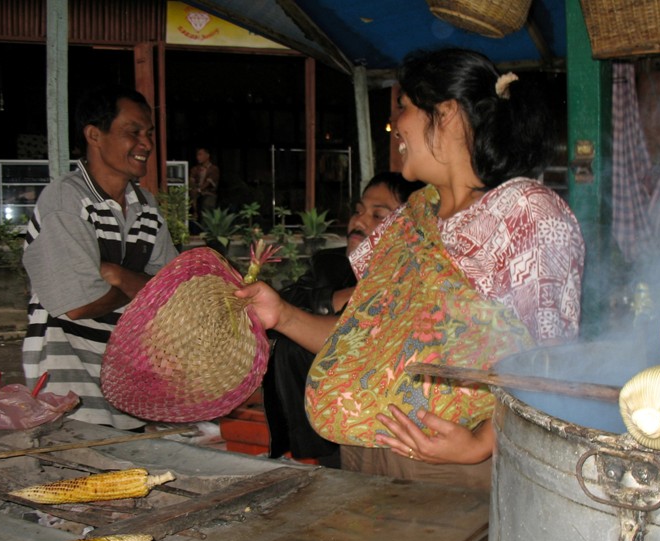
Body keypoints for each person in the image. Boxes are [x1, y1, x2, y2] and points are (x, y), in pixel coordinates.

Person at [236, 48, 585, 489]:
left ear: (448, 113)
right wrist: (282, 315)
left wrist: (480, 443)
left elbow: (554, 356)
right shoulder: (414, 214)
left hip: (449, 469)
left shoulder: (523, 212)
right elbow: (366, 339)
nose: (395, 125)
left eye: (403, 107)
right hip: (364, 459)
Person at [21, 84, 178, 430]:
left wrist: (117, 275)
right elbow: (78, 304)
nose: (147, 144)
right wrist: (142, 290)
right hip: (69, 396)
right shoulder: (66, 202)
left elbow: (174, 295)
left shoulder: (146, 207)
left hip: (127, 390)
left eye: (148, 133)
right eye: (132, 132)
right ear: (94, 135)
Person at [264, 172, 423, 467]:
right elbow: (284, 303)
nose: (359, 221)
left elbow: (359, 339)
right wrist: (338, 297)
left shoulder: (416, 280)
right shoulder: (331, 263)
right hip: (319, 437)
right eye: (359, 210)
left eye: (378, 215)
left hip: (379, 433)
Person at [190, 146, 219, 220]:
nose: (198, 157)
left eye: (200, 155)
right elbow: (191, 179)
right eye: (197, 155)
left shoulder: (213, 169)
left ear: (207, 155)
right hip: (196, 195)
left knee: (207, 212)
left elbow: (209, 182)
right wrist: (194, 188)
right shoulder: (195, 169)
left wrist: (199, 189)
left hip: (208, 194)